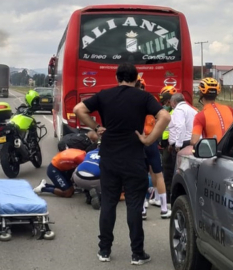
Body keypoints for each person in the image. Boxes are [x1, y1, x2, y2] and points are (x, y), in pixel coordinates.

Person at [73, 62, 171, 265]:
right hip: (134, 158)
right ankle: (137, 253)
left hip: (109, 158)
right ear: (136, 79)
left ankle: (104, 250)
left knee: (108, 203)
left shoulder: (104, 95)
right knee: (134, 205)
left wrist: (97, 126)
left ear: (117, 78)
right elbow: (165, 116)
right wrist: (149, 139)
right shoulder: (143, 97)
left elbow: (78, 109)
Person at [136, 77, 172, 219]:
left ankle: (142, 208)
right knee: (158, 174)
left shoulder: (129, 101)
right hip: (150, 141)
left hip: (138, 141)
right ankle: (163, 209)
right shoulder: (149, 100)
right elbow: (160, 119)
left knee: (141, 175)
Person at [191, 78, 233, 145]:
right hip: (230, 152)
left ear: (201, 93)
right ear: (217, 94)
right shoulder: (229, 109)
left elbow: (194, 141)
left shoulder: (200, 116)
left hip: (213, 152)